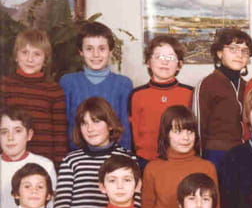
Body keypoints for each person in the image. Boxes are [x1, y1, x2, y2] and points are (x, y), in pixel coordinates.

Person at [53, 97, 138, 208]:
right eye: (84, 123)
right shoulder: (71, 160)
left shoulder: (127, 158)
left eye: (96, 121)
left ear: (110, 125)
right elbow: (61, 205)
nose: (90, 129)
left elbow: (136, 202)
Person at [141, 106, 220, 208]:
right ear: (166, 134)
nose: (186, 138)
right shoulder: (152, 168)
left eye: (190, 132)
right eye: (178, 132)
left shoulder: (207, 167)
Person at [60, 21, 133, 151]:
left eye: (102, 48)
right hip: (77, 156)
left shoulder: (123, 84)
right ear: (80, 51)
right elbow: (63, 126)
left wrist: (124, 157)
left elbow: (125, 130)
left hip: (113, 157)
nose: (96, 54)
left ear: (110, 51)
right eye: (89, 49)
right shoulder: (68, 82)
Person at [0, 28, 67, 165]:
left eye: (37, 54)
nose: (30, 59)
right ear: (16, 56)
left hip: (43, 162)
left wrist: (58, 166)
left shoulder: (54, 90)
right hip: (10, 160)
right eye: (25, 52)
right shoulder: (5, 85)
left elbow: (60, 134)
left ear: (45, 59)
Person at [191, 27, 252, 168]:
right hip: (215, 154)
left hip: (244, 153)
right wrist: (199, 162)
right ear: (219, 53)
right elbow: (197, 127)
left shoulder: (248, 86)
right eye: (233, 49)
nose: (239, 55)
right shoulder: (207, 84)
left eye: (244, 51)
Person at [129, 35, 193, 166]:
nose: (165, 62)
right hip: (145, 160)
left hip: (181, 159)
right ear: (148, 62)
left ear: (179, 65)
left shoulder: (190, 93)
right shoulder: (137, 94)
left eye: (171, 58)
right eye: (159, 57)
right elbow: (133, 132)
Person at [1, 105, 56, 208]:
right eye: (4, 132)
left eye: (17, 131)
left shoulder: (45, 165)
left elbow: (51, 207)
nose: (10, 138)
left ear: (29, 135)